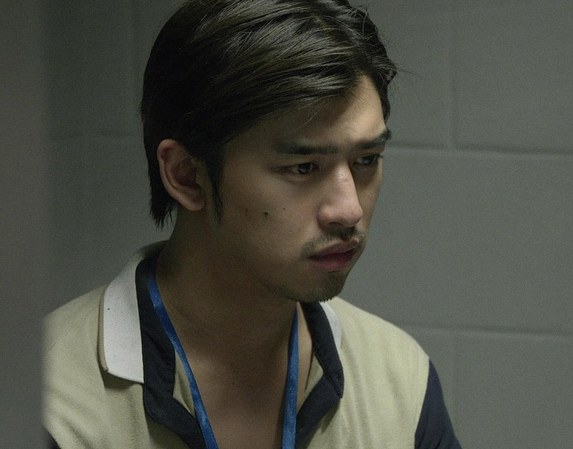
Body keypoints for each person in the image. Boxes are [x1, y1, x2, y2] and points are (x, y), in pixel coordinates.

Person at [42, 1, 461, 448]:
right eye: (303, 167)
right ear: (187, 176)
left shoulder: (400, 381)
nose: (349, 210)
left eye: (367, 159)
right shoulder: (47, 402)